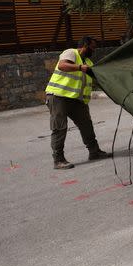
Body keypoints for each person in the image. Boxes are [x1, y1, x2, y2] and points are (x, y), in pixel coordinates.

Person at [44, 36, 112, 169]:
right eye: (92, 47)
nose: (94, 50)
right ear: (85, 45)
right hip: (58, 96)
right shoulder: (71, 53)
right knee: (59, 127)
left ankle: (94, 151)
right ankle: (58, 160)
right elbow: (62, 65)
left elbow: (97, 80)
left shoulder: (89, 63)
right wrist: (81, 67)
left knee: (86, 124)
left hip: (76, 100)